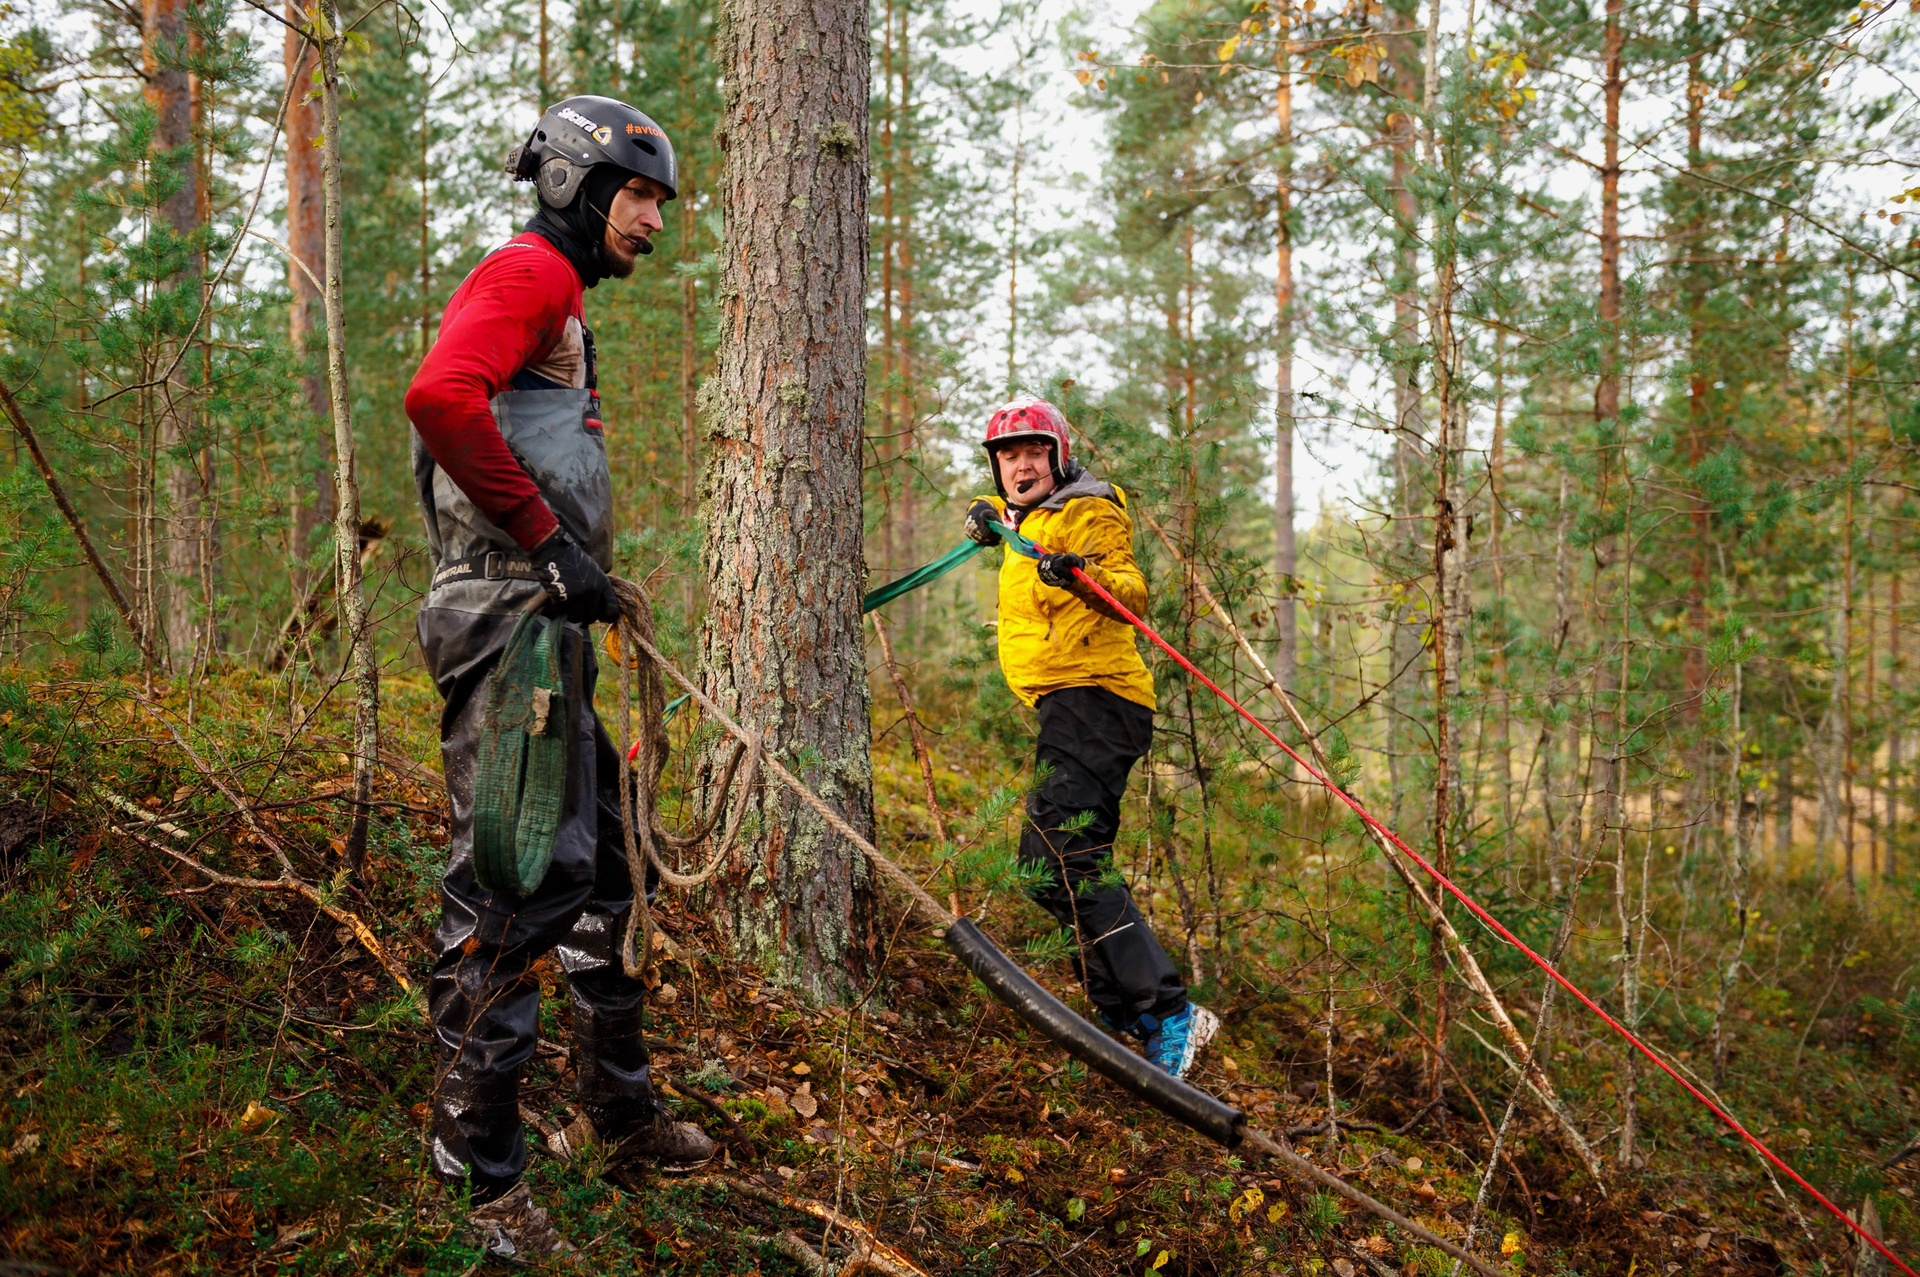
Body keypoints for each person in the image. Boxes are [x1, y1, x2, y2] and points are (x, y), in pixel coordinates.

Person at [403, 95, 713, 1260]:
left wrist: (571, 568)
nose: (652, 221)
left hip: (544, 623)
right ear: (572, 183)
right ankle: (481, 1185)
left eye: (659, 203)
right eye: (637, 196)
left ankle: (620, 1117)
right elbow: (438, 397)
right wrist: (548, 544)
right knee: (516, 883)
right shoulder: (530, 271)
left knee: (607, 871)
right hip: (509, 619)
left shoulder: (562, 297)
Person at [962, 397, 1219, 1079]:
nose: (1022, 465)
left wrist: (1082, 574)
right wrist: (988, 517)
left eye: (1034, 452)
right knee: (1045, 865)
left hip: (1099, 700)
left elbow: (1131, 591)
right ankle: (1132, 1011)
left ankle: (1168, 1011)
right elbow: (1007, 516)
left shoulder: (1088, 509)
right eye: (1009, 455)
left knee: (1066, 853)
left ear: (1059, 457)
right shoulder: (1027, 517)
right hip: (1068, 705)